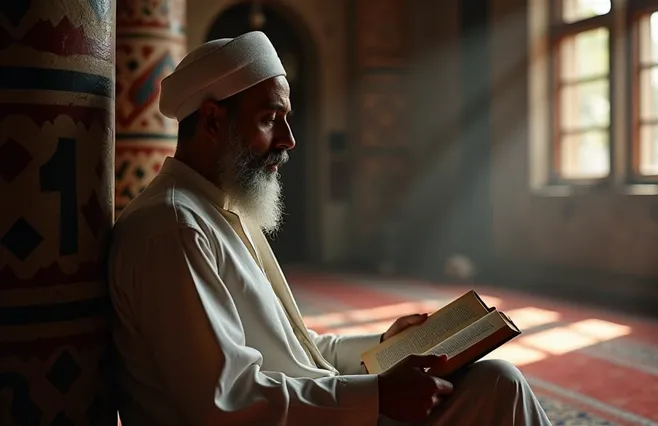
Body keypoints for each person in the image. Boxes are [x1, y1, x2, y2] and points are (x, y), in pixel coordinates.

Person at [107, 31, 552, 426]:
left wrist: (383, 345)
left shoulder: (219, 209)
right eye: (269, 119)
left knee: (492, 381)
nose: (288, 139)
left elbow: (294, 349)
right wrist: (379, 394)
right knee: (497, 387)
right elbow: (226, 403)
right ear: (211, 121)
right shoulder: (173, 228)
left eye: (285, 119)